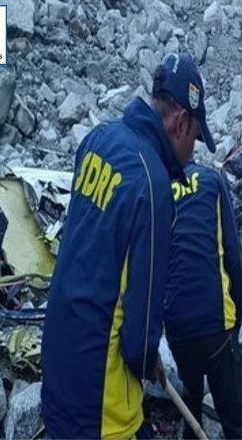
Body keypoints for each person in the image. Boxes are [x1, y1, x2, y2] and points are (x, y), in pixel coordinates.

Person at [41, 52, 216, 439]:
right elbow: (138, 336)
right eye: (197, 141)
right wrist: (147, 352)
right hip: (100, 403)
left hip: (58, 366)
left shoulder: (97, 141)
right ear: (181, 122)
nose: (193, 155)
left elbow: (90, 255)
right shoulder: (153, 187)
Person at [165, 158, 242, 439]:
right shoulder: (212, 180)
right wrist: (235, 319)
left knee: (191, 406)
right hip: (215, 324)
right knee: (234, 421)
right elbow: (233, 258)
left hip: (177, 330)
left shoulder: (159, 187)